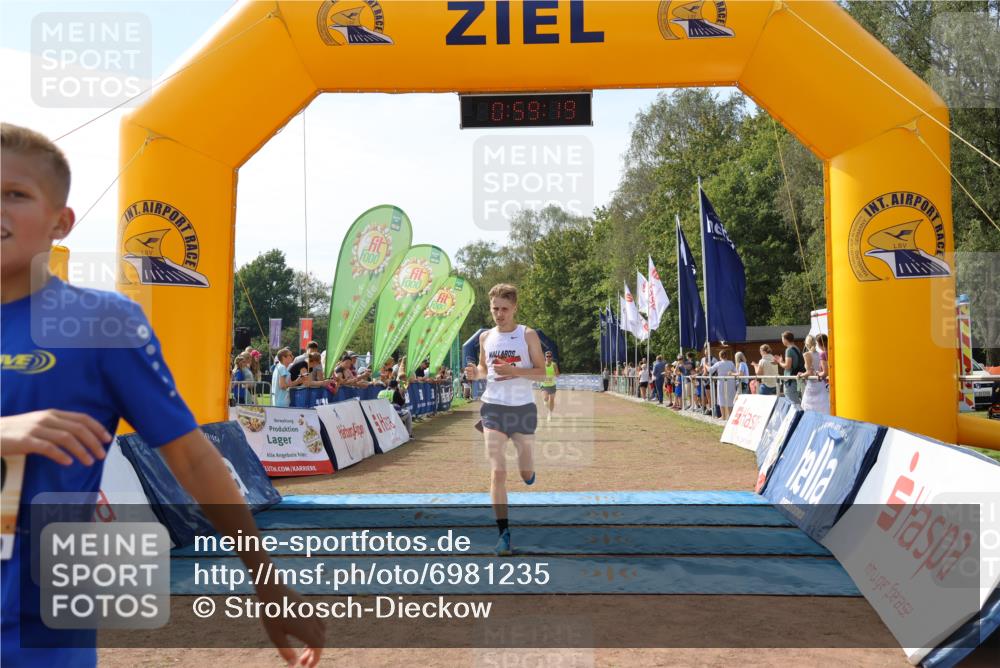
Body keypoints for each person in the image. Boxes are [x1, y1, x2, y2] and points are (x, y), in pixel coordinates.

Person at [0, 123, 323, 667]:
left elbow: (193, 457)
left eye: (15, 194)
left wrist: (265, 580)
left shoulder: (101, 323)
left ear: (62, 222)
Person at [465, 284, 547, 557]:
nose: (499, 314)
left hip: (522, 408)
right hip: (493, 408)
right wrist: (474, 374)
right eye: (494, 309)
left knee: (525, 473)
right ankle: (504, 534)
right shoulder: (485, 337)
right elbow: (483, 370)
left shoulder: (528, 335)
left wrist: (514, 370)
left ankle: (529, 470)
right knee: (498, 471)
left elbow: (543, 374)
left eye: (504, 309)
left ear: (514, 308)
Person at [799, 334, 830, 414]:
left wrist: (800, 375)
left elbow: (809, 372)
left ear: (806, 344)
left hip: (812, 384)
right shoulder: (820, 353)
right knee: (823, 407)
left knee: (808, 408)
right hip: (821, 384)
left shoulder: (806, 354)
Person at [777, 331, 805, 404]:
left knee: (792, 401)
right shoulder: (796, 348)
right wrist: (782, 361)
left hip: (790, 379)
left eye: (782, 339)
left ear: (785, 339)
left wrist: (780, 362)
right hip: (796, 378)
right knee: (796, 399)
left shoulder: (789, 350)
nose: (782, 341)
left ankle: (799, 414)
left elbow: (787, 366)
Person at [709, 349, 737, 420]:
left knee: (721, 398)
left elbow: (710, 370)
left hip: (721, 383)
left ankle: (723, 416)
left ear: (720, 356)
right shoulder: (731, 363)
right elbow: (736, 372)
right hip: (730, 383)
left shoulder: (718, 363)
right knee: (730, 398)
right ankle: (730, 416)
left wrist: (705, 365)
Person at [539, 350, 559, 421]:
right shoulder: (542, 364)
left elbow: (557, 375)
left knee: (552, 400)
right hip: (544, 385)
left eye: (550, 356)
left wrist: (555, 372)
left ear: (552, 357)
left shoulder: (554, 364)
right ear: (545, 357)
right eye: (547, 356)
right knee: (545, 399)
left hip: (552, 385)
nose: (548, 357)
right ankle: (549, 409)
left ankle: (550, 413)